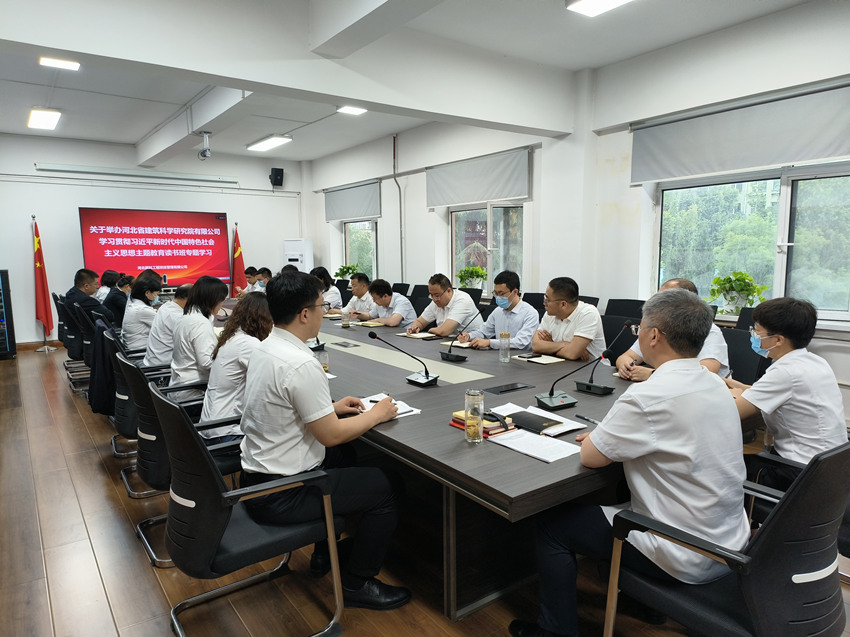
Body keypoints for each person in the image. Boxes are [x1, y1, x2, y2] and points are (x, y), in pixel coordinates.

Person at [509, 288, 750, 637]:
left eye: (640, 328)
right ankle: (647, 603)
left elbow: (591, 458)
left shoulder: (648, 394)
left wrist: (602, 436)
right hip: (730, 543)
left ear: (653, 335)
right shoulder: (714, 383)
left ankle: (555, 632)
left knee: (551, 525)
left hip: (681, 551)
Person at [238, 271, 411, 610]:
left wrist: (329, 407)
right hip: (283, 492)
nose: (324, 311)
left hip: (257, 477)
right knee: (389, 485)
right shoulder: (301, 363)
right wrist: (376, 414)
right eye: (321, 306)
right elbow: (330, 435)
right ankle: (357, 582)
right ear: (305, 314)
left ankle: (324, 552)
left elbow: (282, 405)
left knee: (346, 456)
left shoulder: (266, 347)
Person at [725, 297, 846, 486]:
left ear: (778, 340)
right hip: (832, 465)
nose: (753, 334)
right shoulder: (814, 362)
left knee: (726, 470)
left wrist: (731, 393)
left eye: (757, 330)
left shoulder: (785, 372)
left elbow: (731, 411)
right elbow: (770, 393)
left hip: (799, 472)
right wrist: (737, 385)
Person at [616, 279, 729, 380]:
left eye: (665, 300)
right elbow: (626, 356)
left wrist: (652, 374)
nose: (657, 304)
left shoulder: (709, 331)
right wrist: (626, 366)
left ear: (689, 302)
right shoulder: (657, 326)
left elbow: (704, 375)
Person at [199, 292, 273, 444]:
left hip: (211, 426)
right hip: (226, 432)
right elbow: (274, 379)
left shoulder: (233, 337)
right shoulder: (248, 344)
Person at [170, 276, 229, 397]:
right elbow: (207, 363)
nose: (222, 305)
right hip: (193, 391)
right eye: (222, 300)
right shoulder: (200, 323)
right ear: (213, 300)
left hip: (180, 384)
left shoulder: (186, 316)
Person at [458, 270, 539, 349]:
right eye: (496, 293)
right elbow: (483, 332)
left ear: (515, 292)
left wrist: (490, 342)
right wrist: (469, 336)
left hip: (520, 355)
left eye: (501, 293)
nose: (498, 297)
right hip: (499, 354)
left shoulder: (530, 313)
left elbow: (521, 342)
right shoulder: (498, 311)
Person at [531, 277, 604, 360]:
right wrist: (564, 344)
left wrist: (550, 347)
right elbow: (535, 346)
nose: (545, 303)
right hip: (561, 363)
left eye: (548, 300)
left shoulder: (588, 313)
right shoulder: (550, 313)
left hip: (593, 366)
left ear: (563, 304)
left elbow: (571, 354)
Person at [406, 273, 483, 337]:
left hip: (472, 344)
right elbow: (420, 322)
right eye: (431, 295)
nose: (434, 299)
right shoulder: (436, 302)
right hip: (449, 342)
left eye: (437, 295)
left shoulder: (462, 300)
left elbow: (444, 331)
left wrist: (430, 330)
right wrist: (414, 328)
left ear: (448, 291)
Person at [143, 283, 192, 367]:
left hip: (154, 360)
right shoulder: (178, 317)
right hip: (164, 366)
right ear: (190, 298)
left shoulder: (166, 306)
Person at [122, 276, 162, 350]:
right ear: (147, 293)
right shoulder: (142, 309)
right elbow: (164, 328)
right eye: (157, 294)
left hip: (135, 347)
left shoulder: (134, 304)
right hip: (141, 351)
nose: (157, 296)